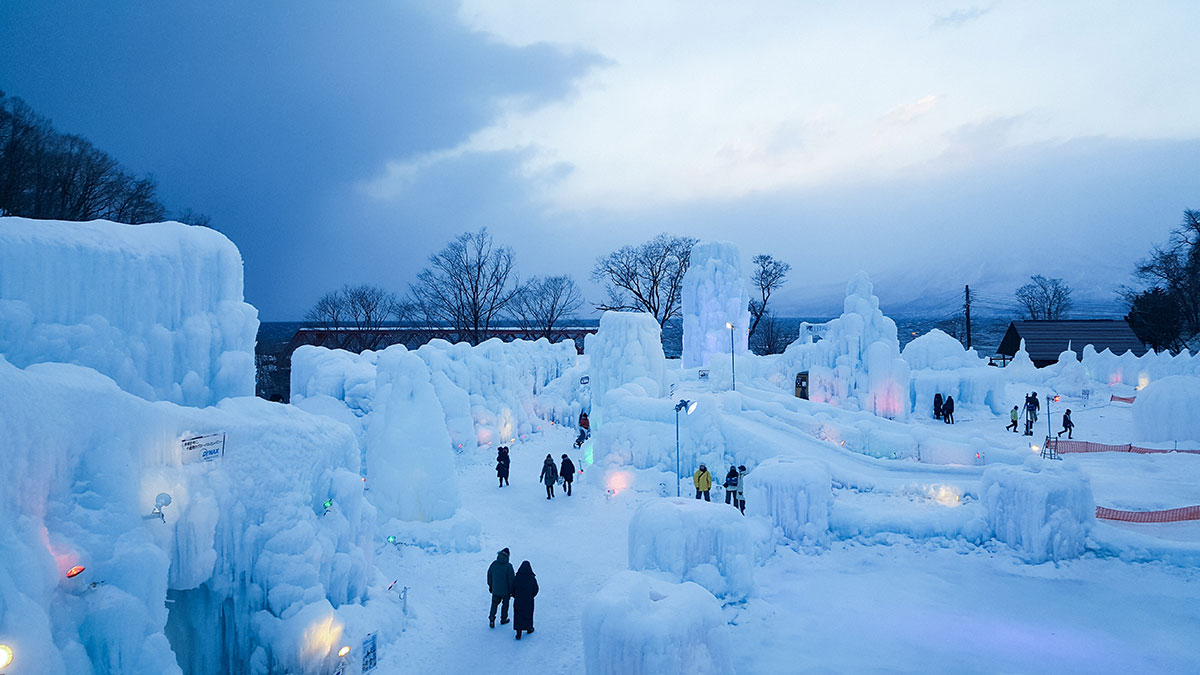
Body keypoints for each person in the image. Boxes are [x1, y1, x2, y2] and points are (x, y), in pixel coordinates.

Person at [486, 547, 515, 629]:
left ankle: (492, 618)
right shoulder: (509, 566)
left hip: (495, 589)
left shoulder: (494, 564)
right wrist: (512, 590)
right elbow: (511, 580)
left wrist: (490, 586)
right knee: (505, 605)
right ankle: (503, 619)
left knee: (494, 604)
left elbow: (489, 575)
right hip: (506, 592)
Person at [512, 560, 539, 640]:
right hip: (528, 601)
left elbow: (513, 588)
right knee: (528, 614)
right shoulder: (532, 578)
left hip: (518, 600)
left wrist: (515, 596)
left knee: (518, 615)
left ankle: (518, 632)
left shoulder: (517, 577)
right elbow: (536, 589)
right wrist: (531, 596)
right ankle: (529, 628)